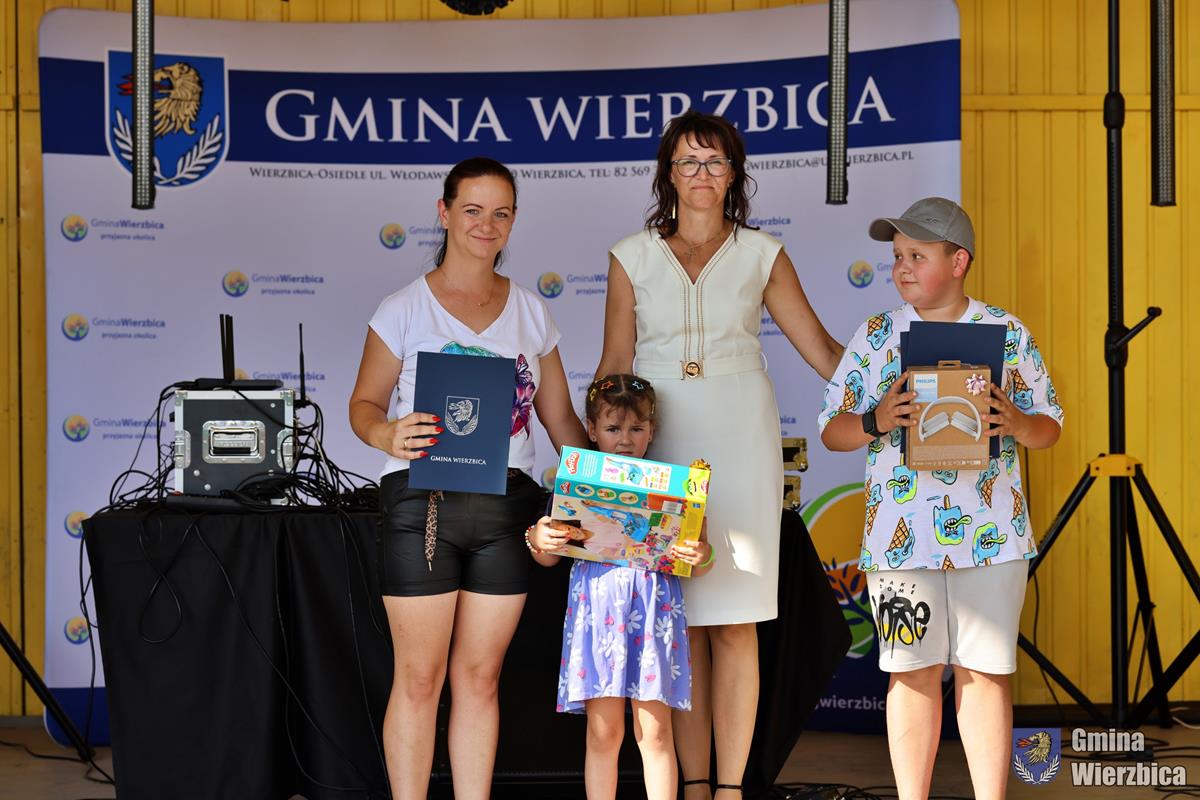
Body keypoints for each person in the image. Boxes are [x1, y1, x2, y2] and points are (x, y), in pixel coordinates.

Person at [595, 110, 842, 798]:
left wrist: (887, 396)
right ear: (668, 174)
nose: (701, 174)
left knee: (735, 622)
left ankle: (730, 788)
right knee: (679, 622)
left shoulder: (763, 252)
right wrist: (601, 468)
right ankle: (694, 785)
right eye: (688, 161)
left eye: (715, 161)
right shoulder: (629, 255)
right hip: (661, 437)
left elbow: (821, 349)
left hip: (742, 433)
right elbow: (614, 366)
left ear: (734, 173)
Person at [348, 157, 587, 800]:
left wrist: (610, 487)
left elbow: (560, 419)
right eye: (473, 210)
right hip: (420, 504)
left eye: (500, 213)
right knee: (420, 678)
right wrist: (386, 434)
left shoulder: (532, 312)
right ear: (445, 212)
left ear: (513, 221)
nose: (487, 224)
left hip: (507, 509)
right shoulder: (402, 309)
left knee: (480, 679)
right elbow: (363, 405)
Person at [818, 197, 1063, 800]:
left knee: (985, 673)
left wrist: (1016, 422)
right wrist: (876, 419)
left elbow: (1050, 427)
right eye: (897, 256)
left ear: (959, 262)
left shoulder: (1006, 333)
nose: (902, 268)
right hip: (899, 542)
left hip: (993, 536)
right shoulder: (876, 335)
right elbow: (832, 431)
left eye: (917, 256)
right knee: (911, 673)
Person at [526, 374, 714, 800]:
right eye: (613, 428)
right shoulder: (574, 484)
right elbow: (547, 556)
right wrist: (539, 537)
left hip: (653, 618)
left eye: (636, 428)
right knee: (603, 732)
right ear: (592, 430)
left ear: (652, 431)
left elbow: (701, 560)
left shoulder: (676, 487)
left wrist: (700, 554)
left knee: (656, 733)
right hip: (598, 619)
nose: (625, 440)